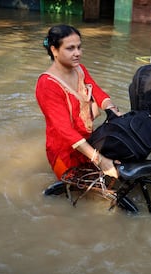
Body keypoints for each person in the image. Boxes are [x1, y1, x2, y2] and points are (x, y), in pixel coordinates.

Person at [36, 24, 120, 180]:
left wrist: (112, 110)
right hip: (64, 152)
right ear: (54, 50)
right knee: (87, 193)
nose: (77, 53)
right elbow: (65, 130)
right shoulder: (47, 84)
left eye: (79, 47)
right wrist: (99, 160)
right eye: (70, 48)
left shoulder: (79, 69)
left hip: (89, 143)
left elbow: (98, 92)